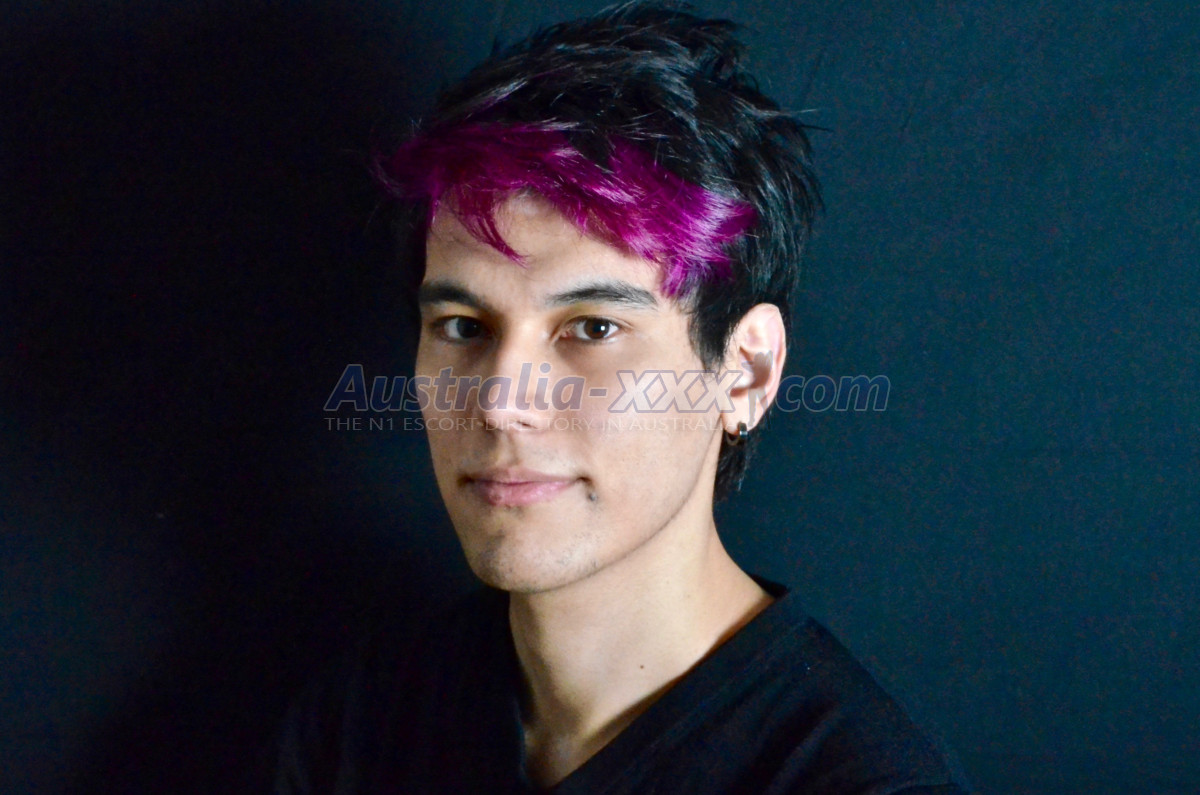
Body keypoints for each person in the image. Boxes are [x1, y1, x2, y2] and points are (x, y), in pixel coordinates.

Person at [278, 2, 970, 792]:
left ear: (744, 372)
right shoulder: (361, 723)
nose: (501, 401)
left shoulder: (855, 782)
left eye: (593, 328)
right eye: (464, 326)